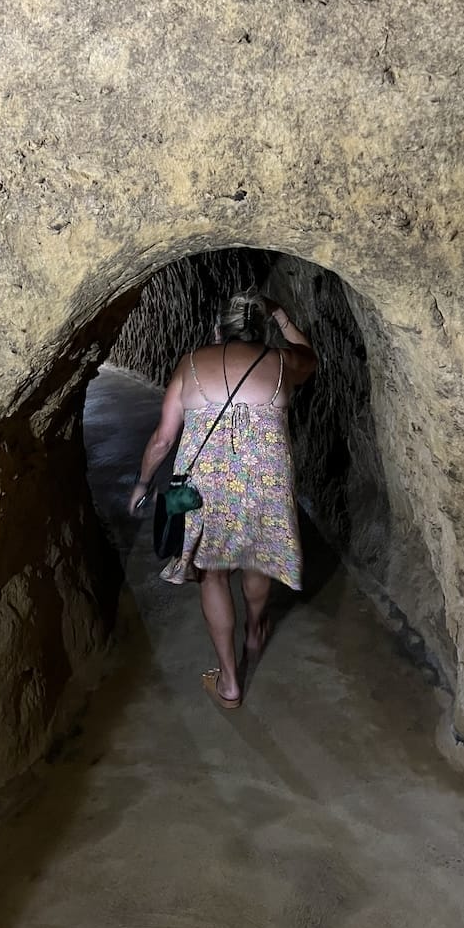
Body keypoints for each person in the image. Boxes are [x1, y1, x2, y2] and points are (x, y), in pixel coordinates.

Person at [128, 290, 317, 709]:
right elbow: (309, 353)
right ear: (261, 328)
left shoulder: (192, 364)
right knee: (256, 557)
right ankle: (255, 627)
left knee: (213, 575)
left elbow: (163, 439)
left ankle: (230, 682)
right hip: (266, 484)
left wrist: (142, 484)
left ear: (218, 329)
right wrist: (281, 312)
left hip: (206, 489)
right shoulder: (282, 362)